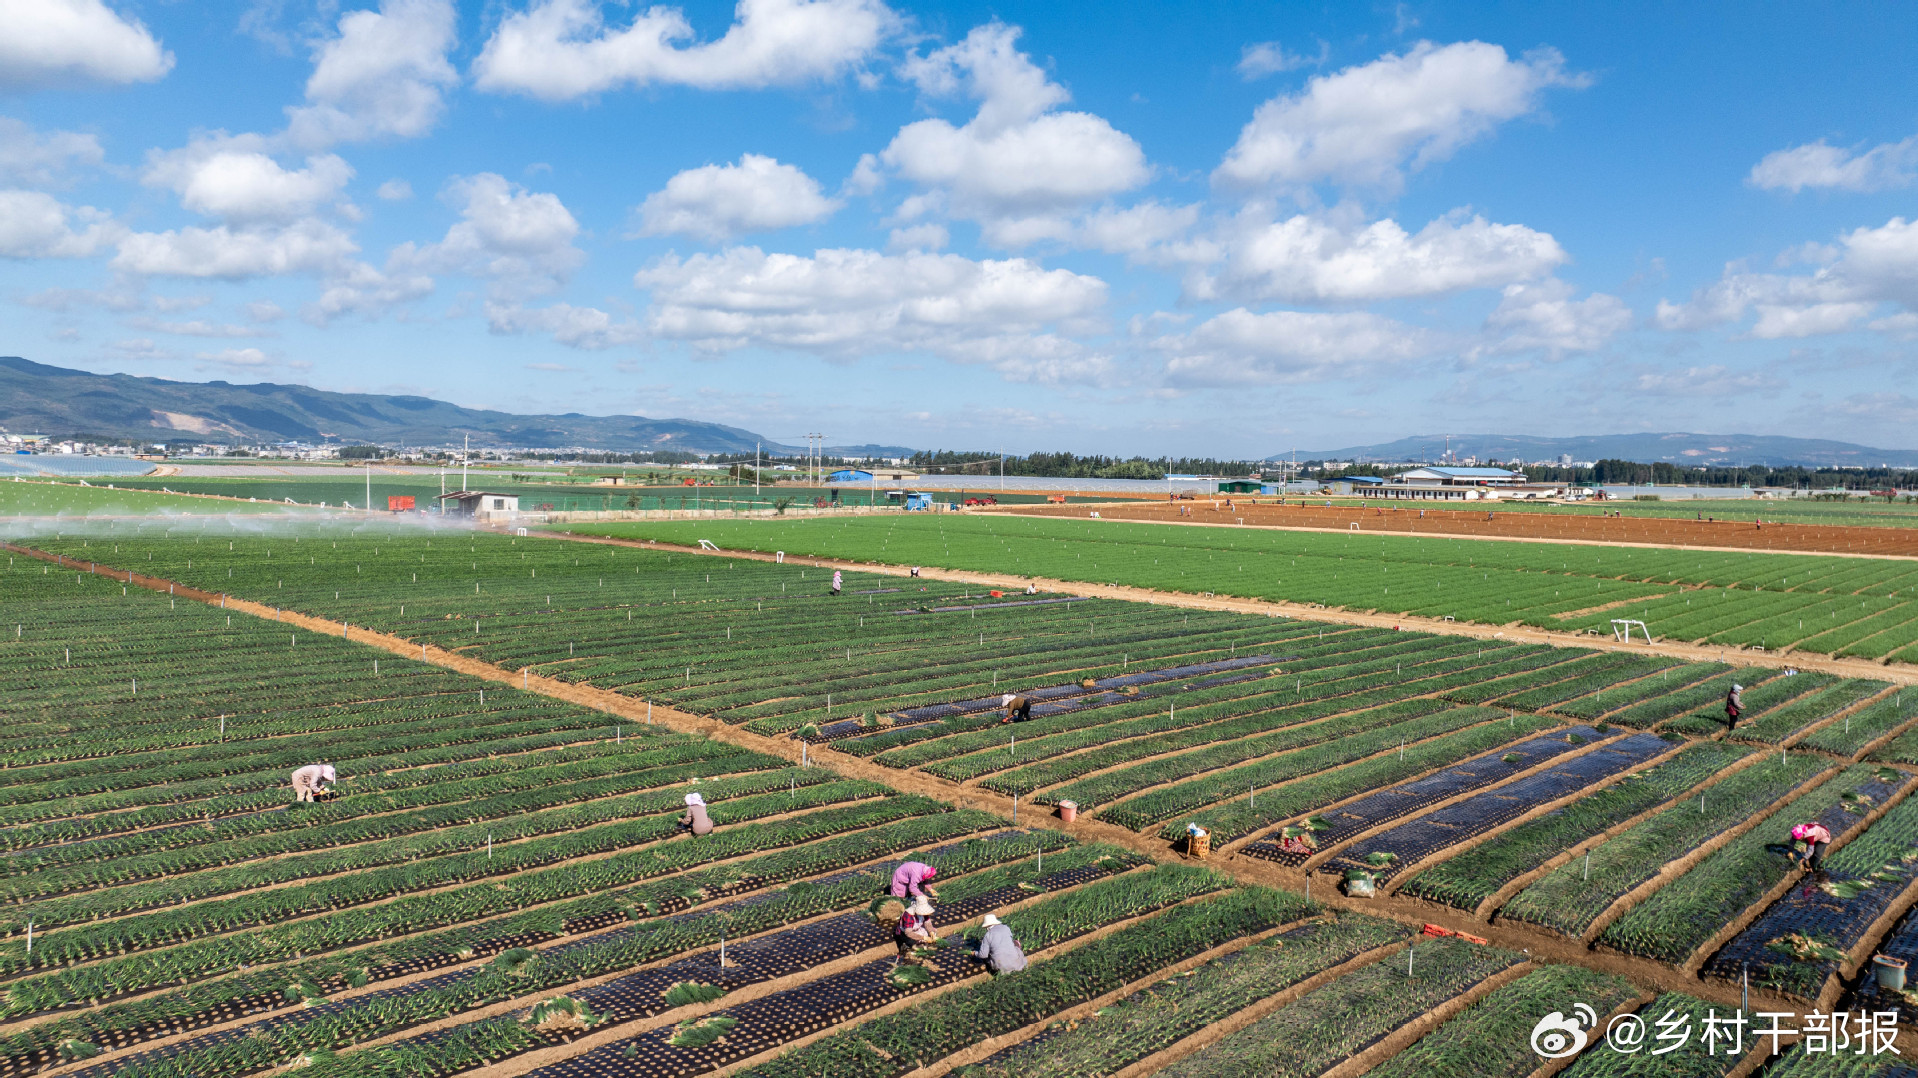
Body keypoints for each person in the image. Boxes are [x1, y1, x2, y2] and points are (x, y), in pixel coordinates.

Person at [895, 897, 938, 964]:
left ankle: (922, 950)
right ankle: (909, 955)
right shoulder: (908, 915)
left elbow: (927, 923)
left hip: (918, 929)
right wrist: (924, 938)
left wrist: (931, 932)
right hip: (905, 933)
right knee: (913, 945)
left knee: (932, 934)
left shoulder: (924, 913)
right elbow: (908, 933)